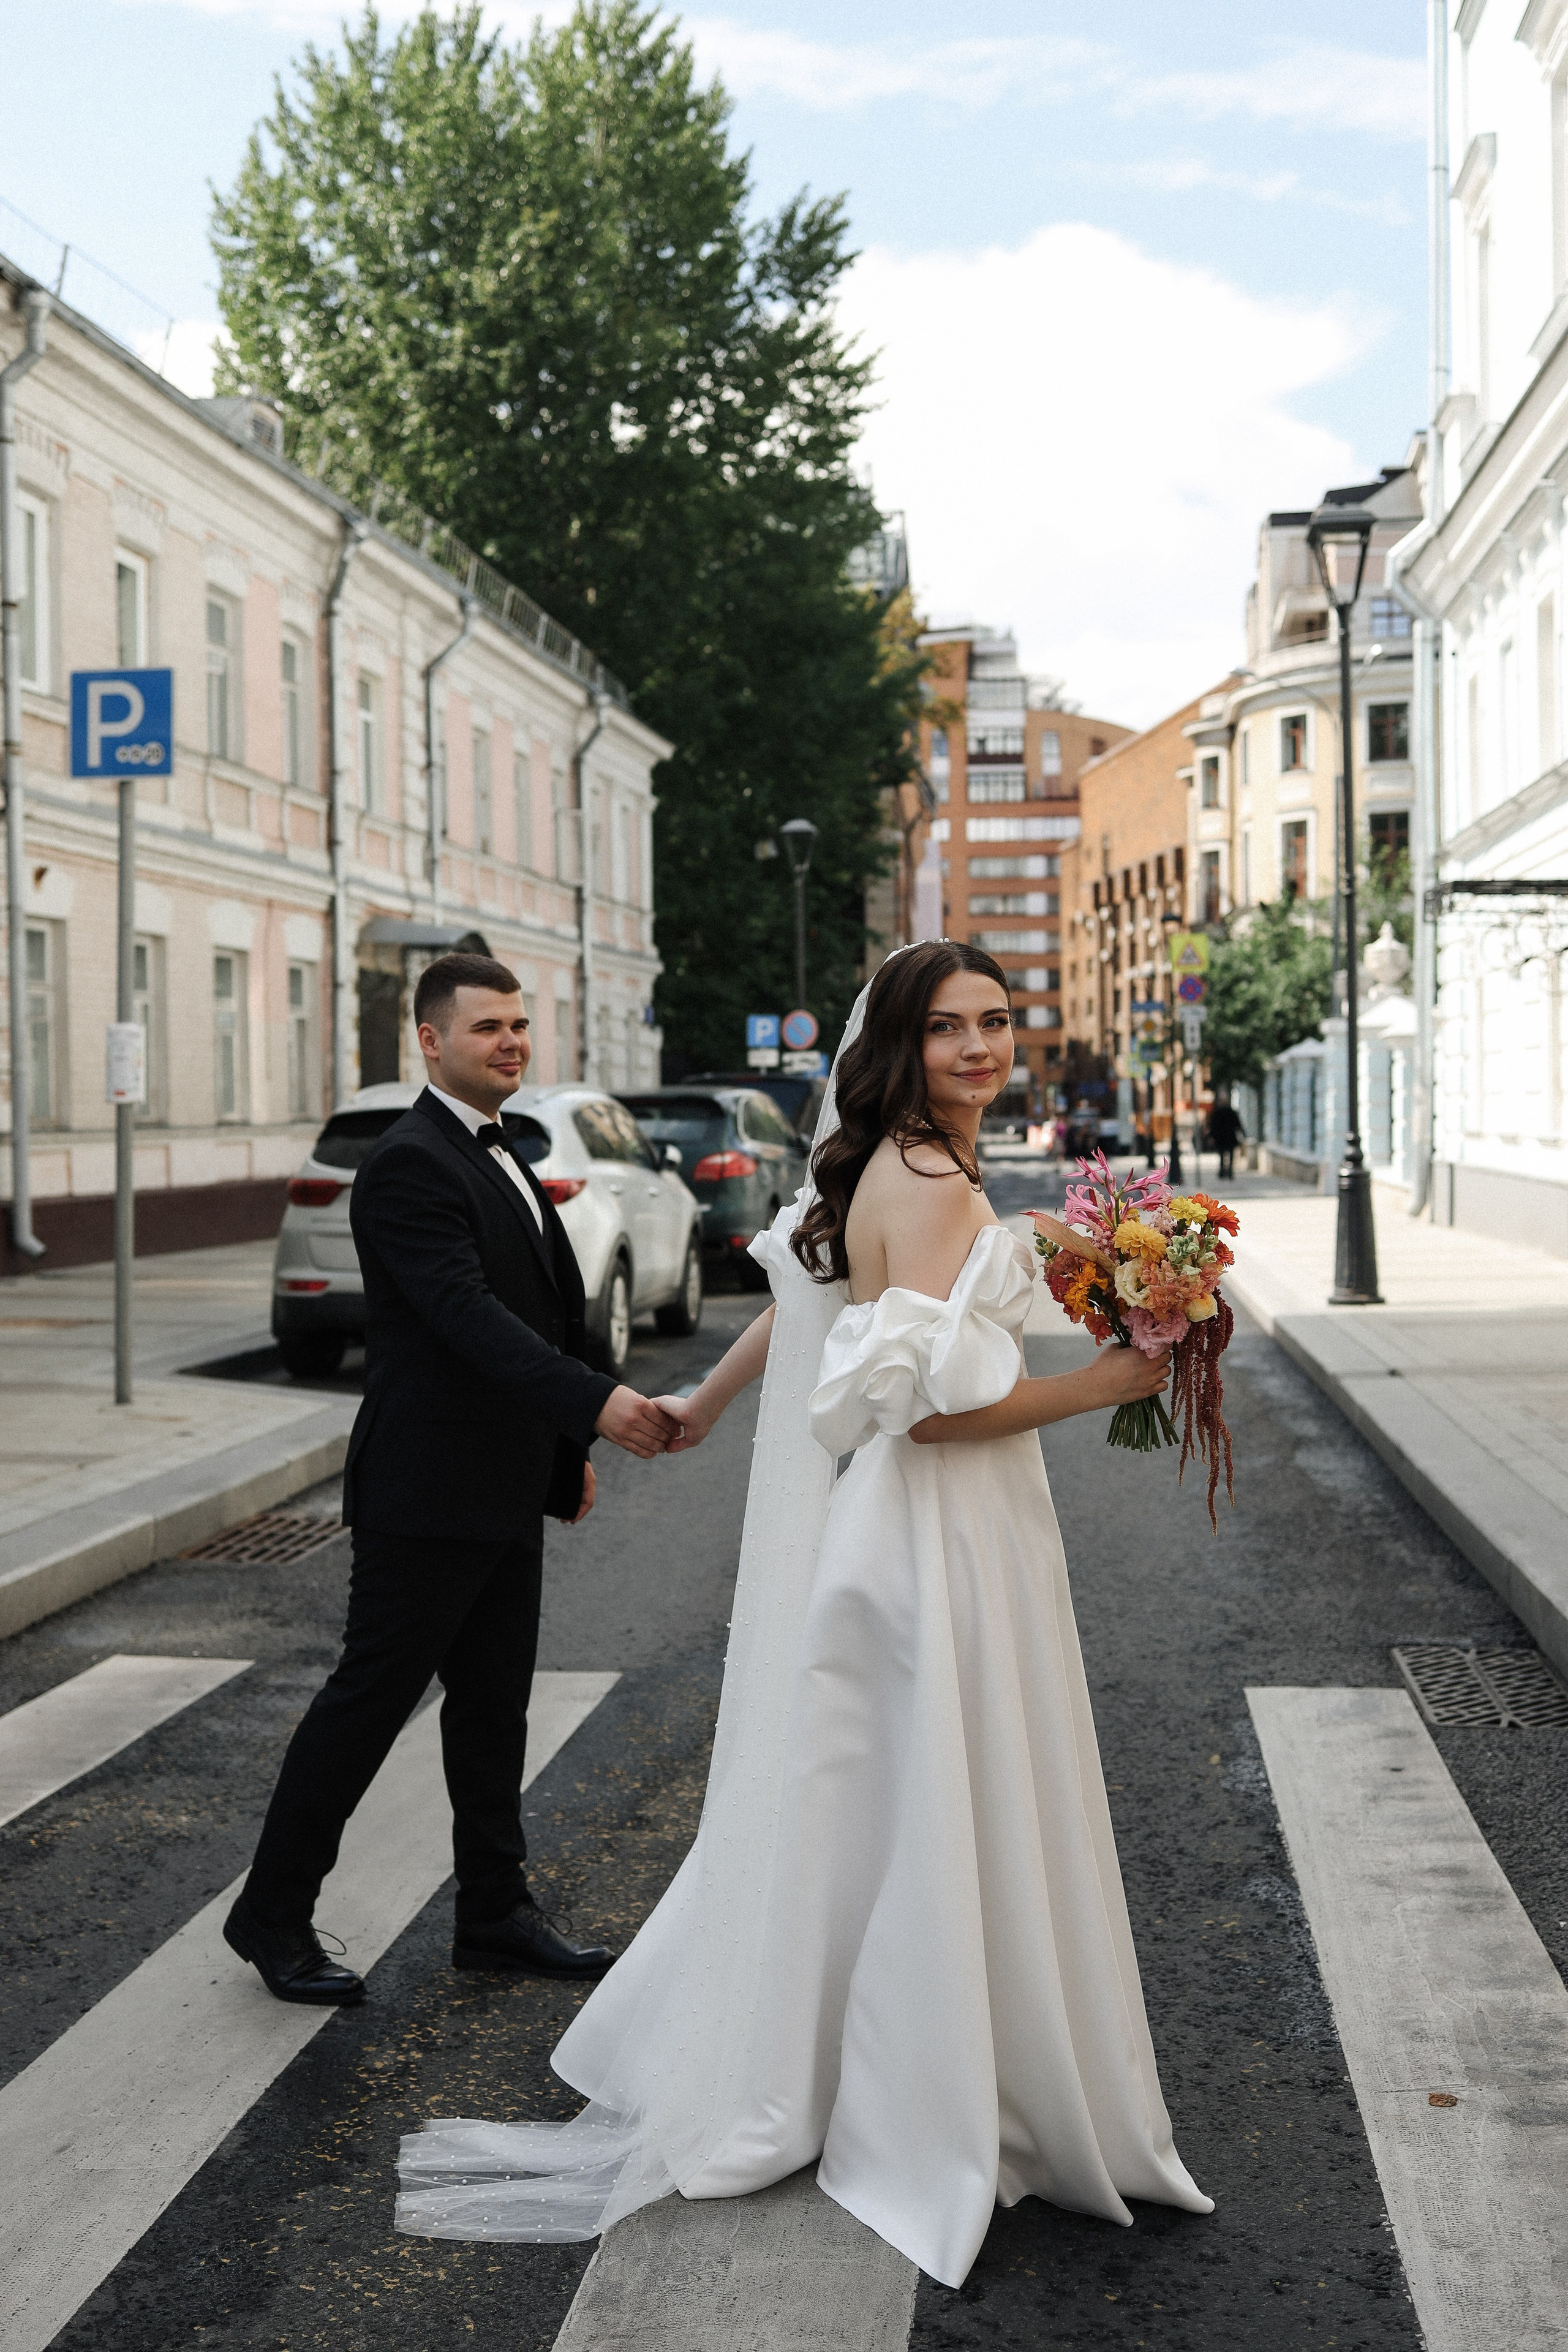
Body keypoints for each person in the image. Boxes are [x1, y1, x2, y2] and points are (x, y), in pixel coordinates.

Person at [396, 940, 1212, 2286]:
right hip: (945, 1526)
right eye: (946, 1028)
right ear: (895, 1041)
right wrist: (1111, 1383)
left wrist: (701, 1406)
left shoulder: (876, 1163)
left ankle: (830, 2054)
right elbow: (940, 1416)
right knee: (941, 1800)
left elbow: (802, 1292)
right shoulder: (932, 1179)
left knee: (874, 1802)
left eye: (996, 1023)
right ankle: (933, 2092)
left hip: (887, 1530)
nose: (978, 1049)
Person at [225, 952, 679, 2007]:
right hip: (425, 1492)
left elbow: (547, 1313)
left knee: (492, 1710)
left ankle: (493, 1912)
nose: (512, 1042)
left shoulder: (506, 1147)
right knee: (367, 1704)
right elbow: (467, 1318)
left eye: (520, 1025)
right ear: (431, 1041)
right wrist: (599, 1406)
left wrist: (564, 1458)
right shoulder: (408, 1163)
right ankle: (272, 1914)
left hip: (505, 1484)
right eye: (488, 1028)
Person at [1206, 1090, 1245, 1180]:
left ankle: (1224, 1173)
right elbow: (1238, 1125)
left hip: (1223, 1138)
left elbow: (1213, 1126)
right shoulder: (1229, 1112)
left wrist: (1211, 1136)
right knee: (1228, 1156)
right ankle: (1228, 1173)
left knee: (1224, 1156)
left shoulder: (1219, 1113)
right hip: (1228, 1137)